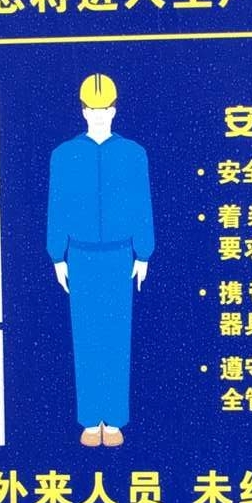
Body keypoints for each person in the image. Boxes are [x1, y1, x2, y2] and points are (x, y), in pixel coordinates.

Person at [46, 73, 155, 446]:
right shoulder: (64, 155)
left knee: (116, 337)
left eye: (104, 108)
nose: (98, 114)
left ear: (114, 110)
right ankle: (92, 420)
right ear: (83, 111)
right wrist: (57, 255)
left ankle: (116, 420)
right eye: (92, 109)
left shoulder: (133, 154)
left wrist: (143, 253)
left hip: (120, 254)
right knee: (87, 337)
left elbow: (142, 203)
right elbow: (57, 204)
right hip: (80, 254)